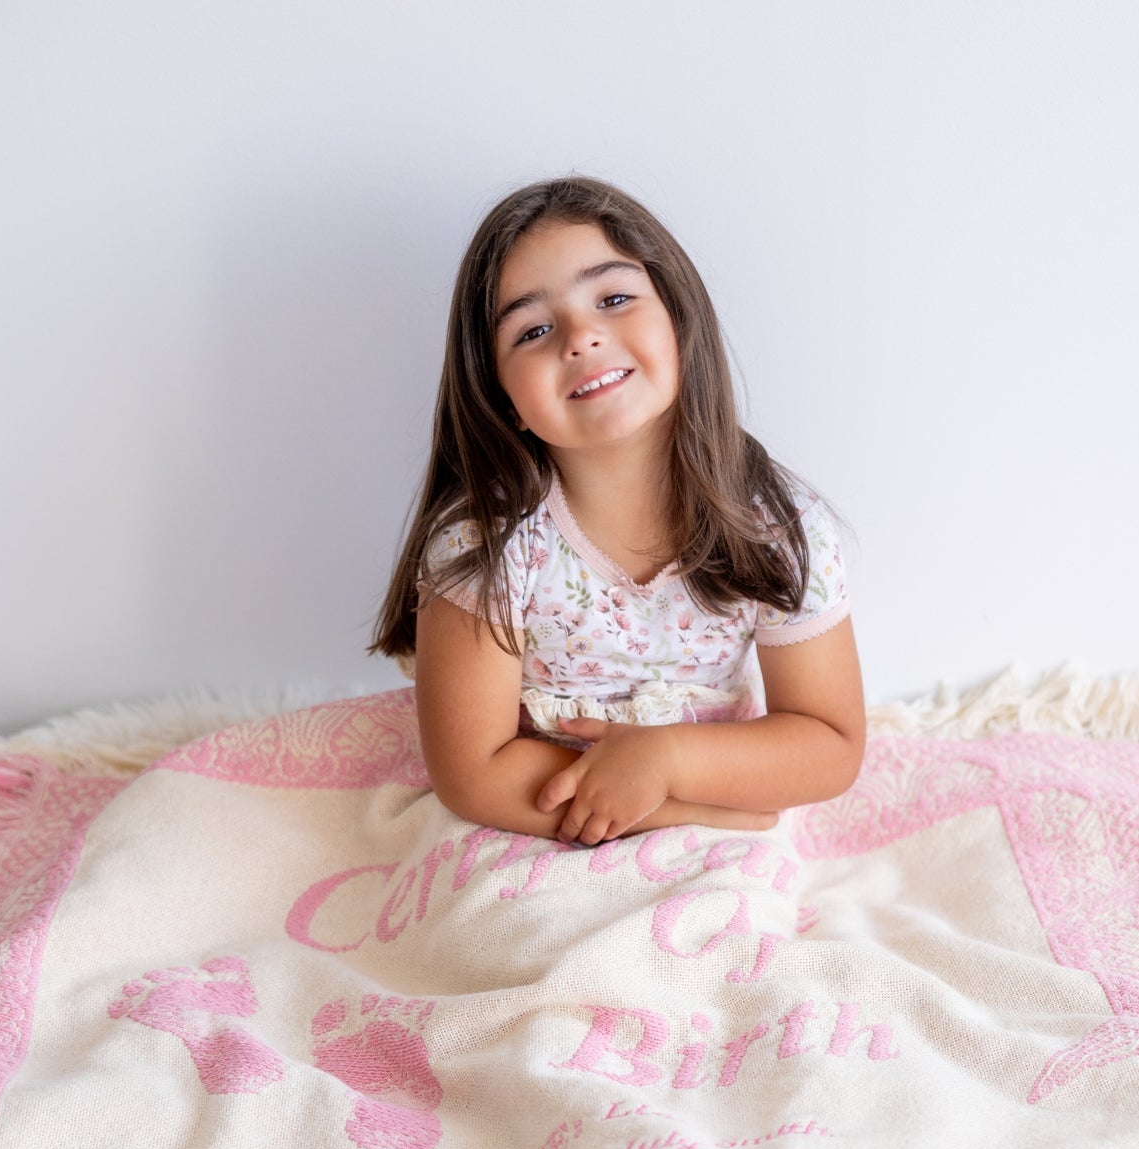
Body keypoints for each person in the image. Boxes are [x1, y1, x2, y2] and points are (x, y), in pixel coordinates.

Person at [369, 176, 864, 847]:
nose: (581, 337)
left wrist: (667, 763)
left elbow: (829, 742)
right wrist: (670, 808)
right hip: (533, 822)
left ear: (679, 319)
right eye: (534, 330)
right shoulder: (485, 546)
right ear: (503, 397)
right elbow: (471, 773)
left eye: (613, 299)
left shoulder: (778, 527)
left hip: (722, 805)